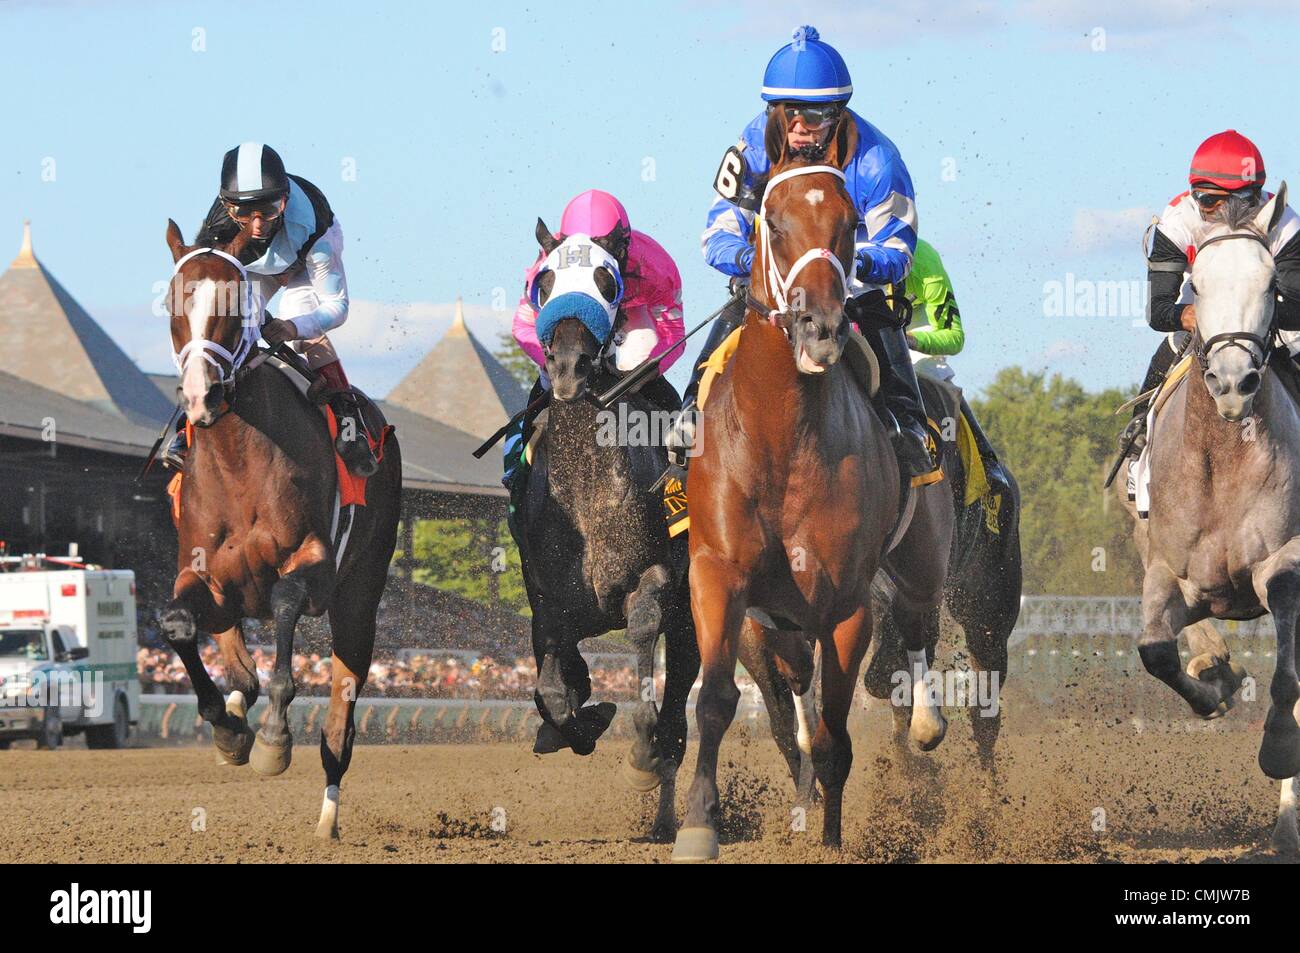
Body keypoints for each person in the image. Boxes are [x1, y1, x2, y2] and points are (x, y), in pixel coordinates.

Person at [673, 24, 929, 480]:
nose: (795, 126)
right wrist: (760, 263)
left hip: (850, 289)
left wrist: (842, 263)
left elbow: (898, 249)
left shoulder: (878, 160)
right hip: (773, 284)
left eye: (810, 115)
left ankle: (910, 429)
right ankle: (690, 412)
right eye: (786, 111)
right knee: (732, 323)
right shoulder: (754, 142)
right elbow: (718, 231)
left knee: (880, 319)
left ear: (836, 114)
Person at [162, 142, 377, 476]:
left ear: (285, 200)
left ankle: (350, 420)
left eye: (269, 209)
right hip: (255, 269)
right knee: (220, 324)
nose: (258, 224)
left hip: (303, 263)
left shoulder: (315, 234)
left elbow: (338, 306)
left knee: (303, 333)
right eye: (245, 213)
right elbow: (205, 282)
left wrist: (291, 328)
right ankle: (184, 425)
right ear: (226, 206)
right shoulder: (217, 226)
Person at [502, 190, 686, 519]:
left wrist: (648, 371)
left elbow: (673, 334)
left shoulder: (655, 266)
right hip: (572, 333)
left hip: (632, 319)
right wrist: (549, 361)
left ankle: (685, 483)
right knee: (545, 388)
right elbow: (523, 327)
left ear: (621, 244)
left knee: (647, 375)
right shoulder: (544, 268)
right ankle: (518, 474)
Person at [1123, 129, 1300, 461]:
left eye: (1240, 203)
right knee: (1175, 343)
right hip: (1205, 303)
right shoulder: (1177, 224)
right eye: (1208, 200)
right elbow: (1158, 311)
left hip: (1266, 310)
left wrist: (1253, 318)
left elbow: (1298, 308)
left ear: (1257, 197)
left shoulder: (1284, 224)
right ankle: (1137, 441)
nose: (1222, 213)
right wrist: (1187, 316)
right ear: (1193, 196)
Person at [901, 238, 1009, 493]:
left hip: (914, 342)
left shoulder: (923, 258)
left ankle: (989, 468)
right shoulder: (837, 247)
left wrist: (909, 340)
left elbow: (953, 337)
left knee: (931, 373)